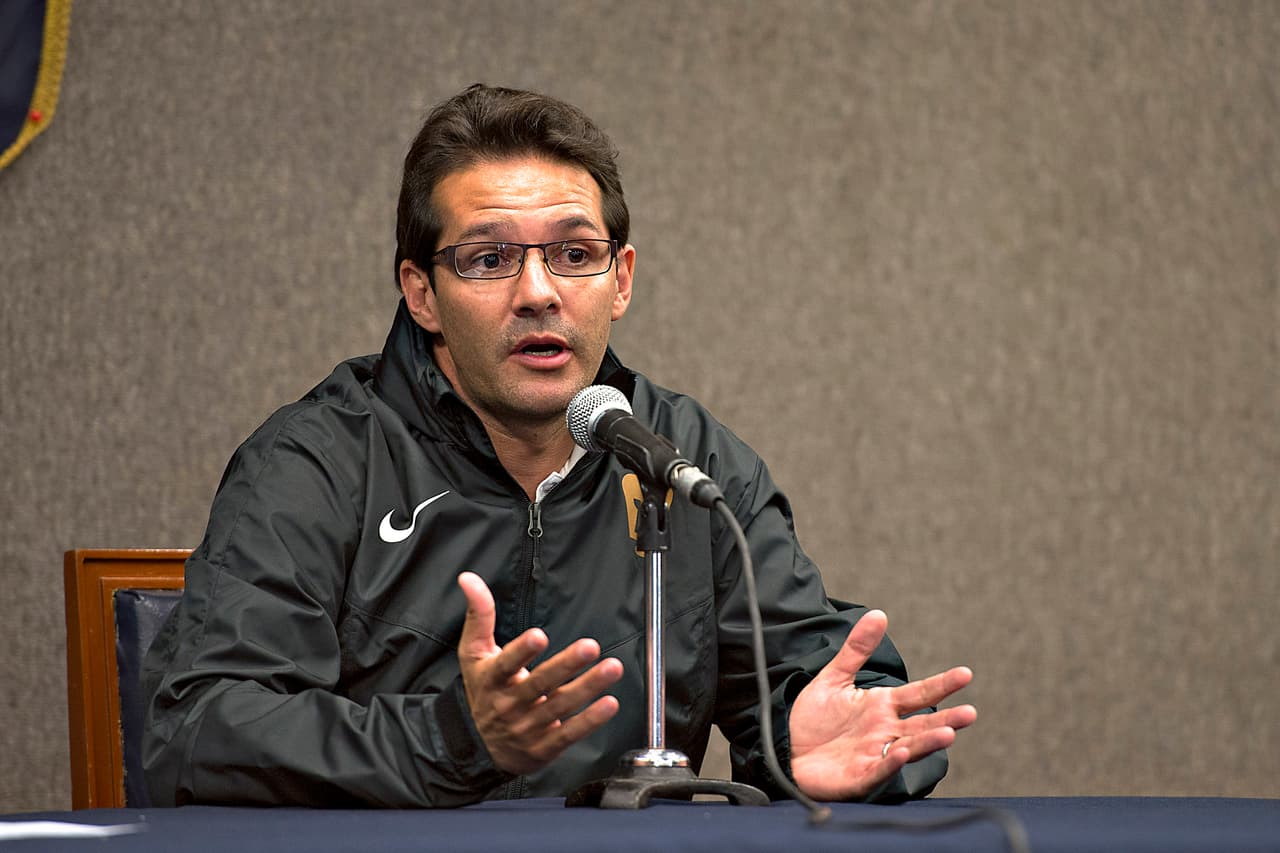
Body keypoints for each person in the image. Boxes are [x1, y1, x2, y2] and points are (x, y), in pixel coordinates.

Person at [142, 84, 975, 808]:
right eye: (490, 257)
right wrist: (455, 737)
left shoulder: (683, 460)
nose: (538, 292)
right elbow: (200, 726)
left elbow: (823, 682)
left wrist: (808, 745)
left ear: (621, 279)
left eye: (575, 254)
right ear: (421, 292)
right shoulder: (320, 461)